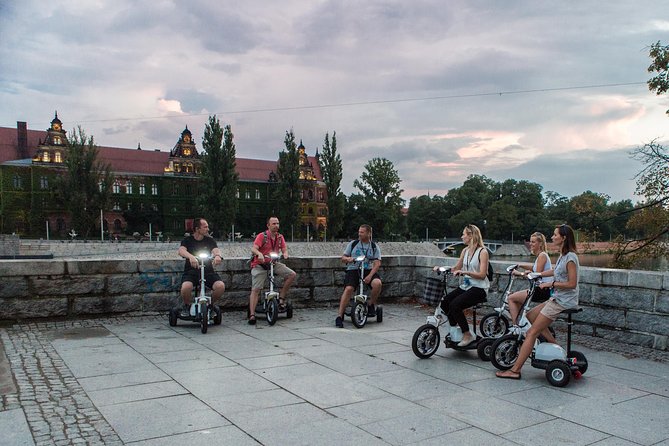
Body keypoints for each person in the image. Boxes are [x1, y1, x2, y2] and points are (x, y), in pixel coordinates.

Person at [496, 224, 580, 380]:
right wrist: (539, 274)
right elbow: (555, 271)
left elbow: (572, 283)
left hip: (564, 301)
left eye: (555, 235)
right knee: (531, 316)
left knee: (531, 332)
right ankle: (557, 348)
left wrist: (551, 284)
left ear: (564, 238)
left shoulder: (571, 257)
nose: (553, 237)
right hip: (557, 298)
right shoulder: (563, 255)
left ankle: (514, 370)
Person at [434, 224, 489, 347]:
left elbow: (482, 274)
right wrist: (442, 268)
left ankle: (467, 334)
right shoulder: (465, 251)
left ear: (471, 236)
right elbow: (456, 268)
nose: (461, 236)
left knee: (455, 305)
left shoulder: (483, 252)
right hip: (467, 286)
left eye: (464, 234)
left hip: (479, 288)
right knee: (445, 302)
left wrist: (465, 272)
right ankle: (455, 331)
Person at [248, 216, 296, 325]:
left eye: (277, 223)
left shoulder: (280, 237)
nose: (276, 226)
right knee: (256, 289)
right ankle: (252, 315)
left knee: (291, 274)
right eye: (273, 224)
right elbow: (254, 248)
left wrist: (285, 254)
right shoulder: (262, 236)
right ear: (268, 225)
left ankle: (282, 298)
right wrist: (259, 254)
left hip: (273, 263)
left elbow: (284, 248)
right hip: (260, 264)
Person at [335, 224, 382, 328]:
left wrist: (370, 276)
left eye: (362, 232)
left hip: (367, 270)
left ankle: (370, 305)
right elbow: (343, 258)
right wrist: (349, 259)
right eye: (359, 232)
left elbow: (377, 263)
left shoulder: (374, 247)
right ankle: (339, 315)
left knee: (377, 283)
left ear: (369, 233)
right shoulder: (353, 244)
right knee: (349, 289)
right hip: (353, 269)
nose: (359, 234)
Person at [177, 218, 225, 317]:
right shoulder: (187, 240)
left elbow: (216, 249)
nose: (208, 229)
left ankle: (210, 305)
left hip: (208, 272)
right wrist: (191, 256)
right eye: (205, 227)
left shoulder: (209, 240)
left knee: (220, 286)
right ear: (197, 229)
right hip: (191, 272)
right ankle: (187, 306)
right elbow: (181, 250)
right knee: (186, 287)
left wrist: (217, 256)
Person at [506, 232, 552, 330]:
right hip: (540, 289)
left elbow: (535, 275)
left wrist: (519, 273)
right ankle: (520, 324)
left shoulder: (542, 256)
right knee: (516, 300)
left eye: (533, 242)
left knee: (511, 298)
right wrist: (520, 265)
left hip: (542, 290)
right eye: (530, 241)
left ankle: (516, 327)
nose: (530, 244)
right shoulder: (541, 255)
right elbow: (534, 267)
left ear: (540, 244)